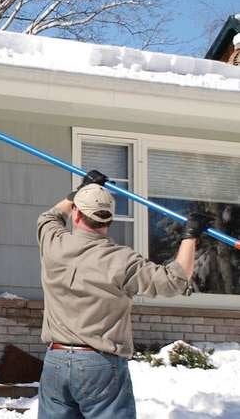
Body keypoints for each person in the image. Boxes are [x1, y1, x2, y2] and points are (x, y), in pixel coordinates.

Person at [36, 170, 211, 419]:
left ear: (76, 214)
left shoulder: (53, 244)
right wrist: (190, 236)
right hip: (100, 366)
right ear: (109, 220)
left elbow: (49, 216)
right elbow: (174, 280)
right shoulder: (122, 260)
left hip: (56, 361)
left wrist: (80, 191)